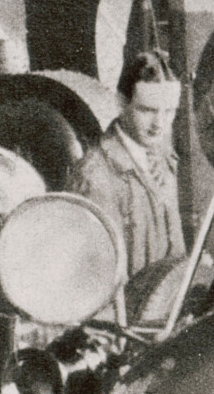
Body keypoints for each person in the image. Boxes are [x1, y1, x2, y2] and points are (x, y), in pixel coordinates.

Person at [72, 51, 191, 281]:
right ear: (120, 103)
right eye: (147, 110)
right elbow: (100, 283)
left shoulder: (163, 159)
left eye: (170, 112)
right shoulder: (95, 178)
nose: (159, 124)